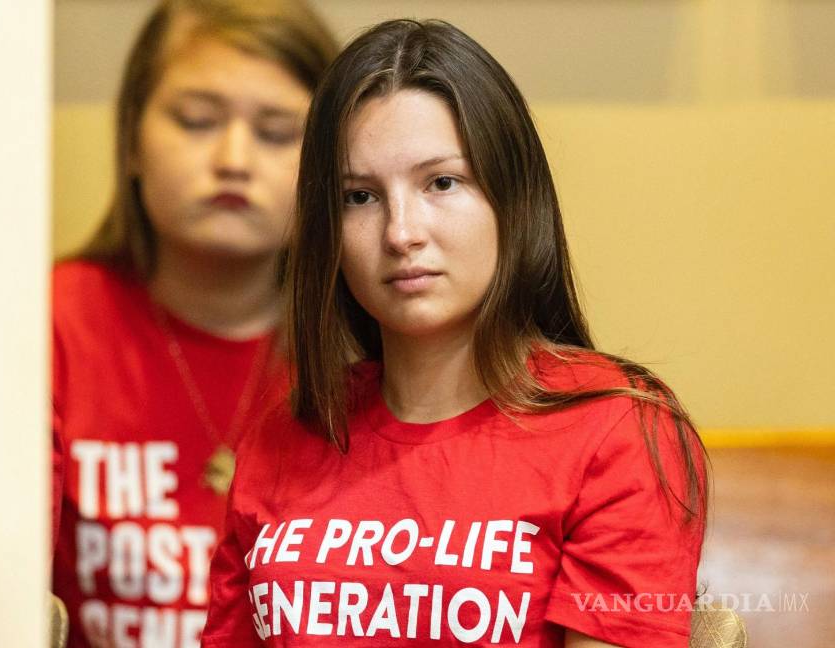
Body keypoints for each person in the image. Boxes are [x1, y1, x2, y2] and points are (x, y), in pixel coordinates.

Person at [203, 19, 708, 648]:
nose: (401, 232)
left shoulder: (615, 430)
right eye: (359, 197)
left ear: (512, 199)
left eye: (442, 183)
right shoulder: (283, 436)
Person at [49, 2, 337, 646]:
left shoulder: (363, 355)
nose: (234, 158)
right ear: (131, 140)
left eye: (276, 132)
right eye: (198, 121)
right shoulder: (52, 322)